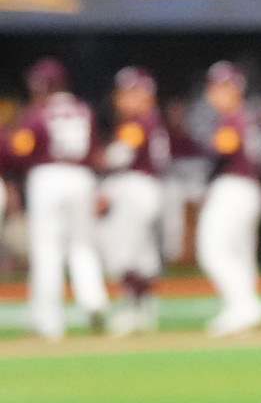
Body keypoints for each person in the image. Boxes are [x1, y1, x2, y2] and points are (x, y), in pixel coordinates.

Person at [7, 59, 107, 338]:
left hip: (48, 177)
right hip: (82, 178)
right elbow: (95, 150)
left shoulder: (38, 113)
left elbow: (18, 149)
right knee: (83, 245)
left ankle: (48, 321)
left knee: (47, 249)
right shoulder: (84, 110)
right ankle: (93, 299)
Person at [95, 66, 172, 334]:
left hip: (135, 187)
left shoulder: (139, 122)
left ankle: (133, 312)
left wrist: (93, 157)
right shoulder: (152, 121)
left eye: (129, 93)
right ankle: (144, 311)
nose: (121, 99)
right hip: (147, 186)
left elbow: (118, 157)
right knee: (142, 256)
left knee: (122, 255)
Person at [195, 61, 261, 335]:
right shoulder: (246, 117)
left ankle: (243, 305)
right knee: (240, 254)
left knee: (212, 250)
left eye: (220, 87)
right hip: (247, 188)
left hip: (233, 187)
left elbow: (221, 150)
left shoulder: (233, 119)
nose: (213, 93)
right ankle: (242, 307)